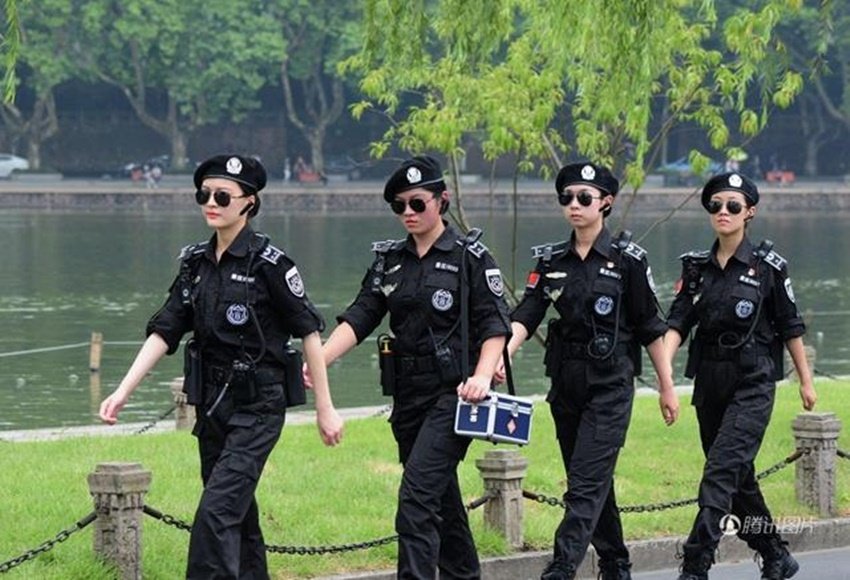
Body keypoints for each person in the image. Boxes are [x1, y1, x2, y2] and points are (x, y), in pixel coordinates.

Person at [99, 154, 343, 579]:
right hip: (212, 407)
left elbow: (307, 331)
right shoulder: (194, 264)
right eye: (204, 194)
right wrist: (122, 392)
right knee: (238, 516)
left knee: (215, 515)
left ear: (249, 202)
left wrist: (325, 407)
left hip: (258, 408)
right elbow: (165, 330)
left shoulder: (270, 265)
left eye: (222, 196)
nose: (211, 203)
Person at [306, 155, 511, 579]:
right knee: (441, 499)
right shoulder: (389, 260)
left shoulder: (469, 257)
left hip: (454, 396)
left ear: (442, 200)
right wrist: (319, 360)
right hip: (407, 396)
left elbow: (495, 323)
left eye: (417, 203)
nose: (408, 214)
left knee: (416, 499)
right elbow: (362, 314)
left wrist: (481, 374)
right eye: (399, 206)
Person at [498, 162, 679, 580]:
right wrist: (499, 357)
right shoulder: (550, 261)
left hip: (611, 384)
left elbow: (651, 327)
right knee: (594, 482)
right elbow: (527, 313)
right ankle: (616, 565)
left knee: (584, 482)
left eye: (584, 198)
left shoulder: (628, 261)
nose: (574, 205)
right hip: (566, 384)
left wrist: (668, 387)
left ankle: (561, 568)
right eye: (567, 197)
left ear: (607, 203)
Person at [665, 172, 817, 580]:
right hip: (709, 383)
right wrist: (664, 376)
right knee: (738, 478)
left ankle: (696, 562)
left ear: (749, 212)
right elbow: (677, 323)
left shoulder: (768, 268)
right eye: (716, 205)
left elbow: (791, 326)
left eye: (733, 205)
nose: (723, 212)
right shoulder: (695, 269)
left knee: (719, 473)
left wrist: (805, 380)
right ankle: (775, 554)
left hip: (753, 381)